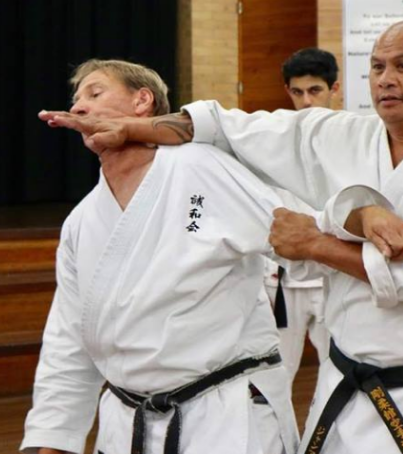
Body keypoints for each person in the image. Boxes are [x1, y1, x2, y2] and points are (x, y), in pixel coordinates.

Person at [39, 20, 403, 454]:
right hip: (346, 385)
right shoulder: (338, 134)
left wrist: (321, 236)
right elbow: (232, 127)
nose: (386, 78)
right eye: (376, 66)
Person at [23, 59, 299, 454]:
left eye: (94, 93)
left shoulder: (202, 168)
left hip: (224, 415)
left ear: (142, 101)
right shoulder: (81, 222)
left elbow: (299, 238)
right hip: (128, 419)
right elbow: (69, 335)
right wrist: (53, 437)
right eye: (76, 100)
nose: (79, 107)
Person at [262, 48, 339, 384]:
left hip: (334, 274)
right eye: (297, 92)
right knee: (276, 375)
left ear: (334, 90)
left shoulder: (357, 141)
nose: (306, 101)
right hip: (282, 279)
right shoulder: (271, 141)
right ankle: (277, 440)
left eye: (315, 91)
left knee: (339, 371)